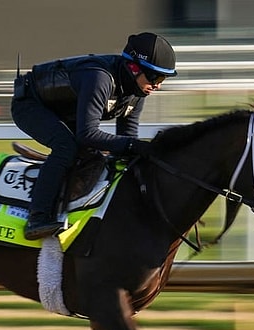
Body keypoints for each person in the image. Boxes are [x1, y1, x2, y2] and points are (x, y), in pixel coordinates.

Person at [11, 32, 178, 240]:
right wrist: (136, 146)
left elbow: (127, 138)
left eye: (163, 79)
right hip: (30, 104)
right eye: (156, 77)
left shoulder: (137, 91)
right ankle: (37, 217)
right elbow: (87, 134)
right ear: (133, 68)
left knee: (102, 157)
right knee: (66, 146)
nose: (158, 85)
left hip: (63, 111)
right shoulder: (99, 78)